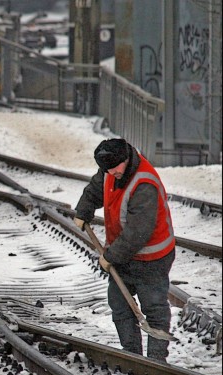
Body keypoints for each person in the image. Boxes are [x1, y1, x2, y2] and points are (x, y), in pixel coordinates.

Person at [73, 138, 175, 362]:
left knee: (154, 309)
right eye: (107, 170)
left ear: (126, 160)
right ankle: (133, 357)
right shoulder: (111, 169)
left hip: (152, 259)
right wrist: (84, 210)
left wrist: (110, 256)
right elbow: (95, 189)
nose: (112, 174)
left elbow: (138, 232)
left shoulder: (144, 183)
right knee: (120, 306)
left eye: (115, 169)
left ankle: (157, 362)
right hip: (124, 255)